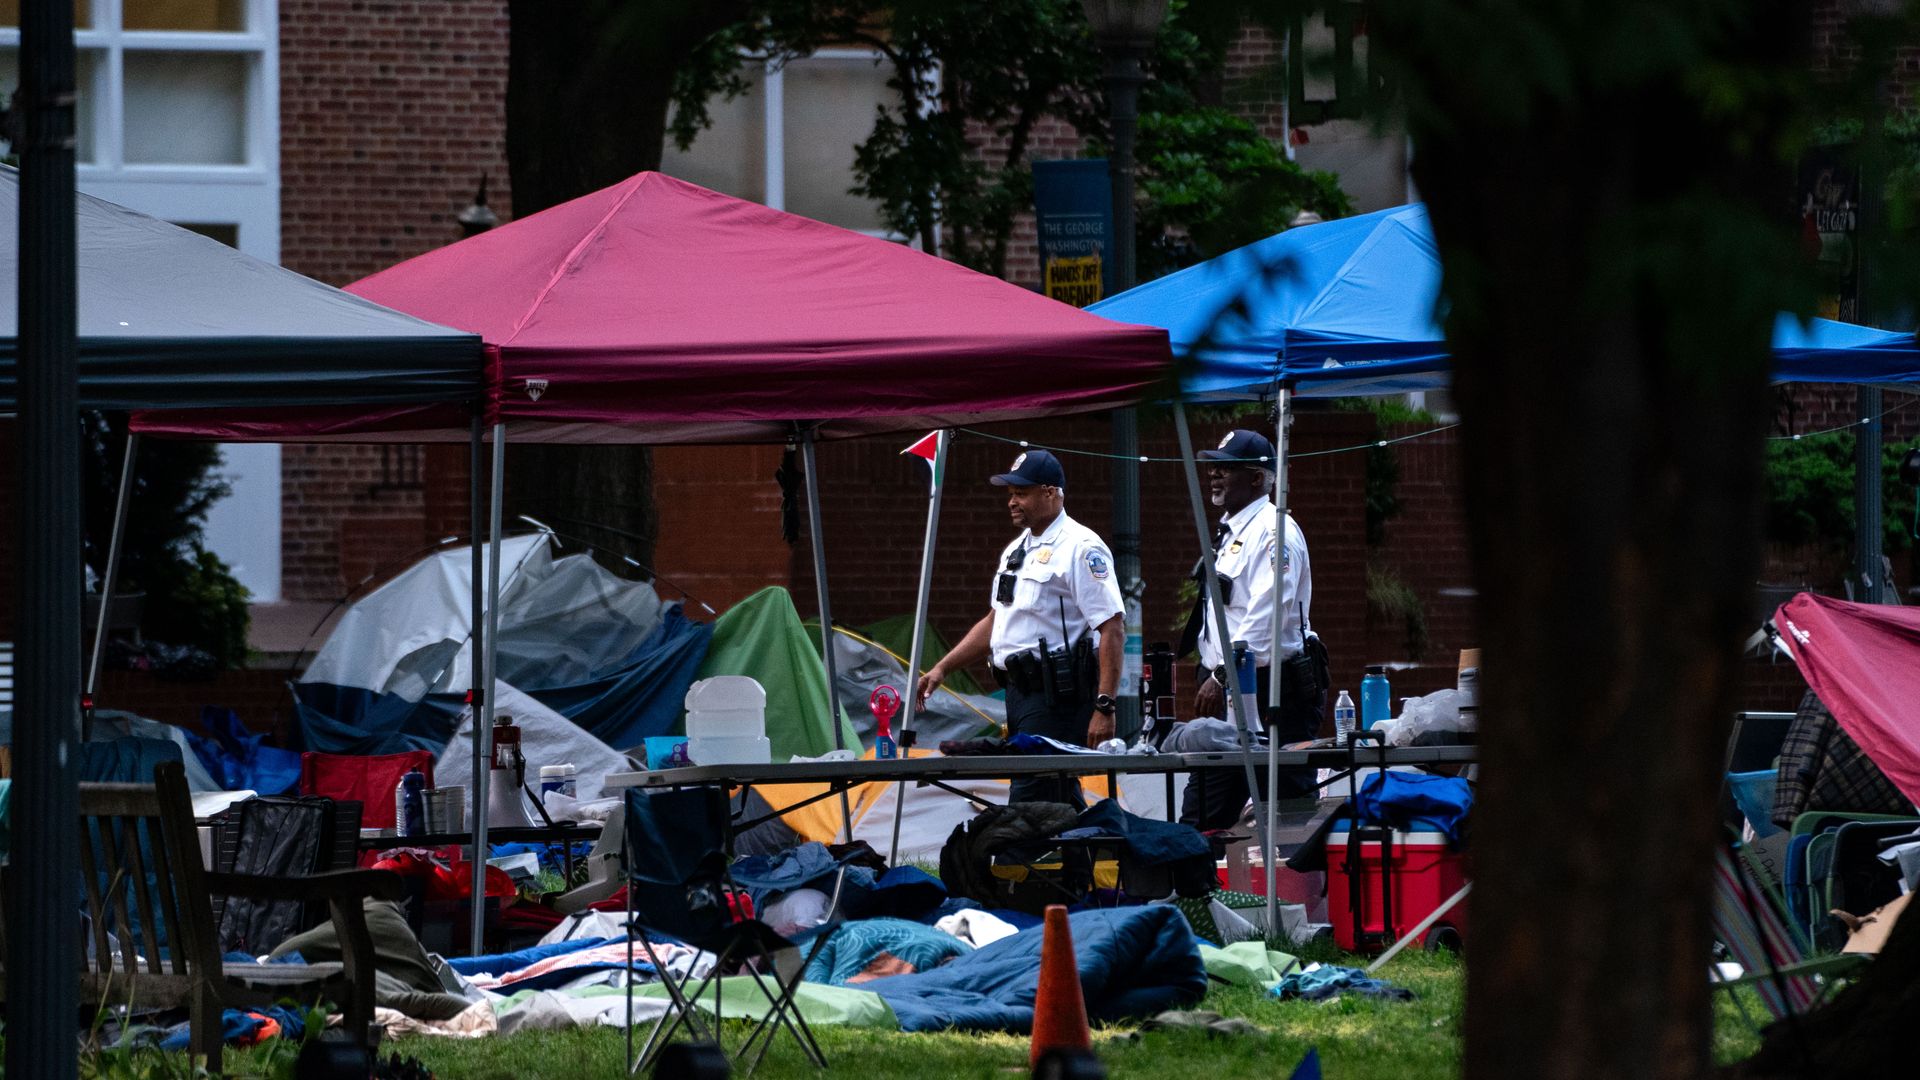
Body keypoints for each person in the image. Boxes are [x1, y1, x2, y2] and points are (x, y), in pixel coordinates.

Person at [916, 449, 1124, 805]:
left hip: (1058, 695)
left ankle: (1037, 859)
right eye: (1010, 494)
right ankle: (1088, 858)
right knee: (1054, 796)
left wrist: (1104, 706)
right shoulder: (1017, 549)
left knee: (1032, 798)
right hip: (1020, 692)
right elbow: (997, 619)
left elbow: (1112, 627)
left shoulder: (1081, 547)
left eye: (1021, 493)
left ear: (1050, 492)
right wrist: (943, 667)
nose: (1012, 502)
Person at [1176, 428, 1325, 830]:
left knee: (1287, 824)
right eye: (1213, 467)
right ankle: (1200, 892)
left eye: (1226, 468)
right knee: (1200, 821)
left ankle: (1295, 895)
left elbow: (1268, 615)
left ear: (1257, 478)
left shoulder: (1274, 531)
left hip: (1273, 695)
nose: (1214, 475)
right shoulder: (1232, 532)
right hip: (1228, 699)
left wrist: (1223, 672)